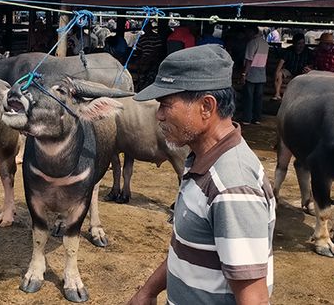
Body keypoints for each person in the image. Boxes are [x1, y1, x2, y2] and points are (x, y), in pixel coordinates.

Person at [127, 44, 275, 305]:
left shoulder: (232, 186)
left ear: (206, 106)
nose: (159, 115)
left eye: (166, 104)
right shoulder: (201, 161)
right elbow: (189, 247)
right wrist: (148, 291)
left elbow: (254, 297)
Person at [241, 26, 269, 125]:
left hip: (252, 73)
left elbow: (249, 60)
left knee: (249, 97)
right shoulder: (265, 43)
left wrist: (244, 74)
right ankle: (257, 118)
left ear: (252, 32)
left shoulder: (252, 43)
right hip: (262, 72)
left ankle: (247, 118)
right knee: (258, 97)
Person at [272, 33, 313, 100]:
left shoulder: (308, 52)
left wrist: (309, 69)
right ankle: (277, 94)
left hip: (301, 72)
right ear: (294, 44)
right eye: (299, 43)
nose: (301, 45)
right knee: (279, 73)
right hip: (289, 70)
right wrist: (277, 72)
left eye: (303, 43)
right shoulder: (289, 50)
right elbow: (282, 61)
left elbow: (312, 64)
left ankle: (302, 96)